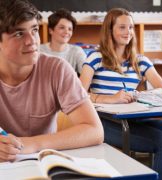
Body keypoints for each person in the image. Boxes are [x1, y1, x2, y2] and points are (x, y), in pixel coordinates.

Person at [0, 0, 104, 162]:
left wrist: (31, 144)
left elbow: (94, 130)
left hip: (42, 163)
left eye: (34, 30)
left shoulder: (57, 69)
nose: (31, 41)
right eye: (19, 33)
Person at [80, 8, 162, 180]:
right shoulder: (95, 57)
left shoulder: (140, 60)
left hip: (134, 120)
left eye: (130, 27)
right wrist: (110, 99)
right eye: (122, 27)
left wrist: (140, 95)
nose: (128, 32)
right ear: (110, 30)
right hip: (104, 122)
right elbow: (78, 95)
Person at [40, 8, 86, 75]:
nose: (67, 32)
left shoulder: (76, 51)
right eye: (62, 28)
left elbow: (87, 75)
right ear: (51, 30)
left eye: (70, 29)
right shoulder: (39, 51)